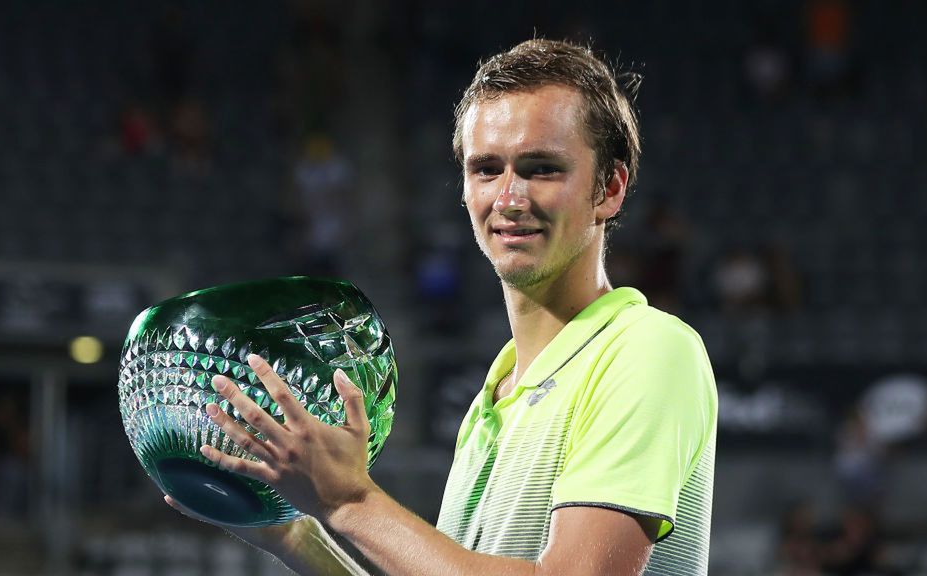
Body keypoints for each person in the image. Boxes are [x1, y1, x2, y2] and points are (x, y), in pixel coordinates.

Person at [165, 39, 718, 576]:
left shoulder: (646, 350)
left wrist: (350, 501)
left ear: (611, 188)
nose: (508, 198)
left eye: (542, 168)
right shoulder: (491, 400)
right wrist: (292, 533)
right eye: (486, 169)